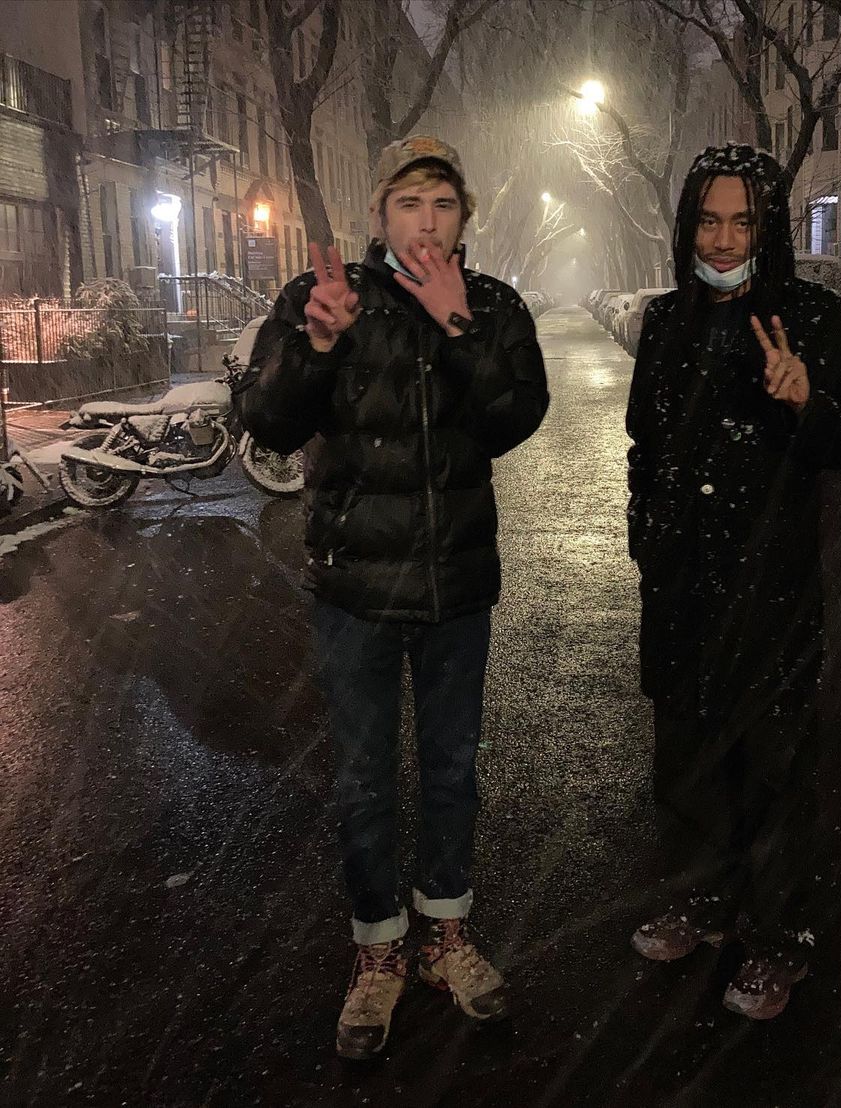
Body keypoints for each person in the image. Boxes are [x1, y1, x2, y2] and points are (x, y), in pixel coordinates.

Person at [237, 136, 549, 1058]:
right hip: (355, 591)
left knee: (452, 770)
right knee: (364, 778)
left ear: (464, 217)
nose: (426, 221)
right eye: (409, 202)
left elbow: (516, 419)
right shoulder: (322, 297)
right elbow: (266, 421)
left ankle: (446, 935)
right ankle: (378, 949)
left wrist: (460, 331)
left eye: (443, 204)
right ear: (379, 214)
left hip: (456, 586)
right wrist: (317, 344)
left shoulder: (493, 305)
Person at [625, 143, 841, 1020]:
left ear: (767, 230)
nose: (724, 240)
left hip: (771, 587)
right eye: (709, 220)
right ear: (687, 226)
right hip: (681, 586)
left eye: (742, 222)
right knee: (687, 758)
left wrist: (806, 400)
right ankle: (701, 901)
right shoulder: (666, 321)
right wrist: (648, 539)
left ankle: (779, 938)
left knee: (773, 766)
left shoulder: (813, 317)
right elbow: (645, 443)